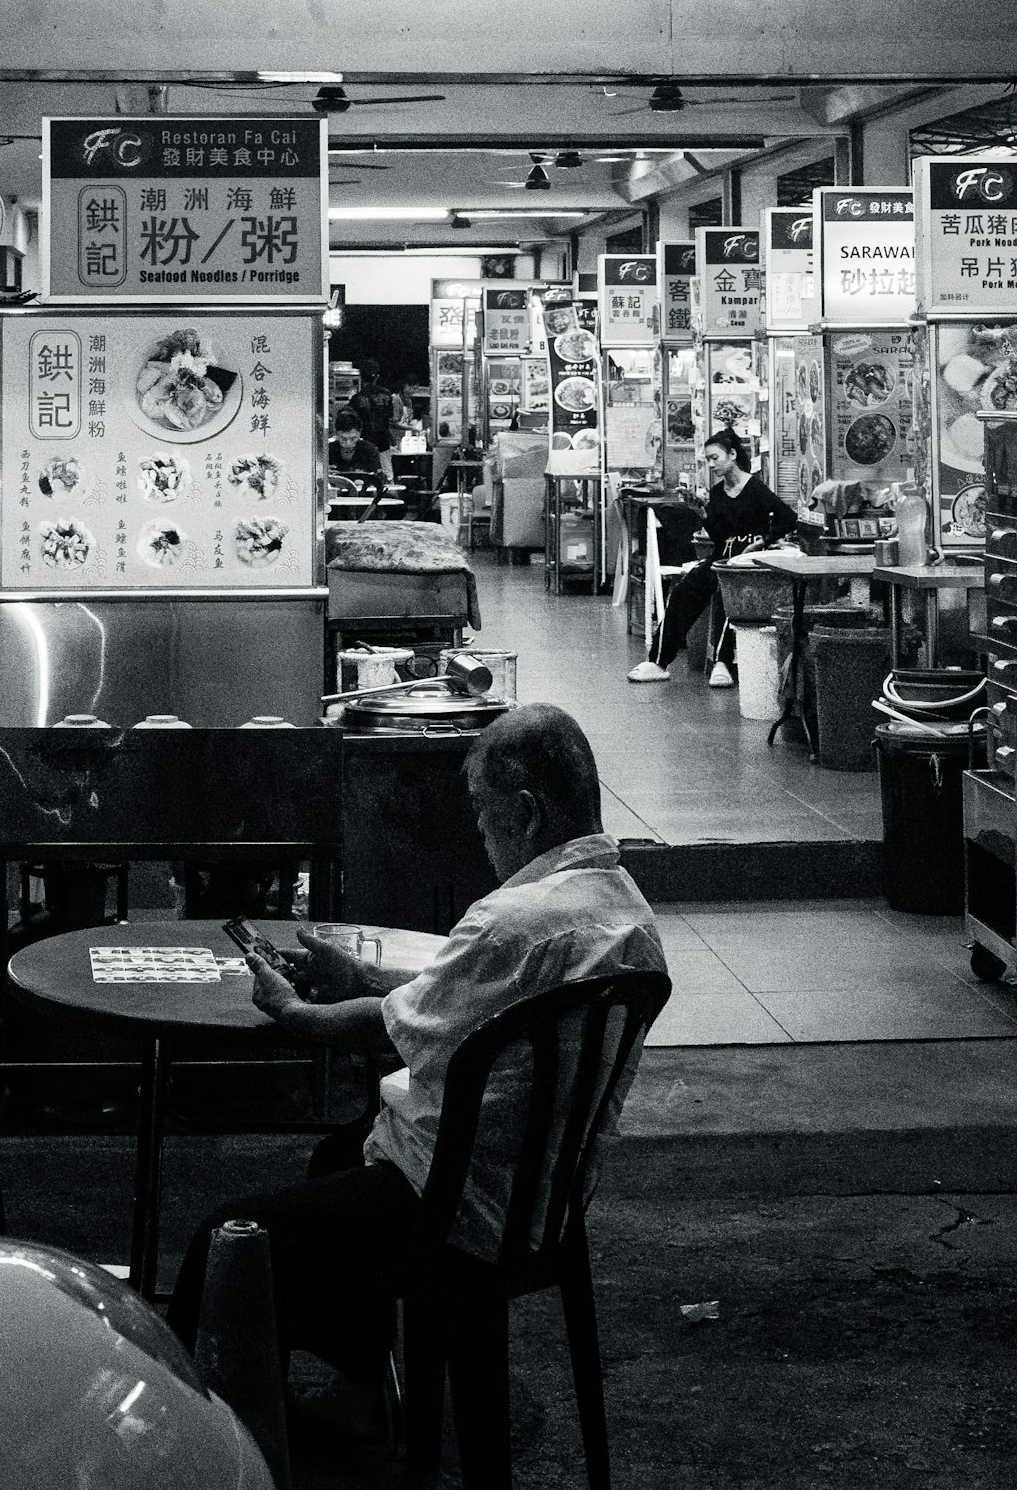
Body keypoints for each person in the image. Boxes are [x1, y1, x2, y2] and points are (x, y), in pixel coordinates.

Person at [175, 704, 665, 1442]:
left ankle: (192, 1440)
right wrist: (361, 975)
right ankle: (357, 1391)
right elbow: (468, 993)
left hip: (453, 1201)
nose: (480, 831)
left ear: (526, 812)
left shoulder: (513, 918)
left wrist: (291, 1009)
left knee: (231, 1237)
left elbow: (371, 1028)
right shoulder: (624, 908)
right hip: (543, 1199)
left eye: (481, 812)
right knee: (335, 1154)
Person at [636, 428, 796, 687]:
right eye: (708, 460)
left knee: (726, 596)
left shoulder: (755, 488)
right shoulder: (719, 492)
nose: (711, 464)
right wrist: (703, 513)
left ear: (732, 455)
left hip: (746, 562)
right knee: (683, 592)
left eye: (715, 458)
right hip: (723, 556)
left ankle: (721, 663)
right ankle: (658, 661)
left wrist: (762, 542)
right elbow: (721, 538)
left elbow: (788, 518)